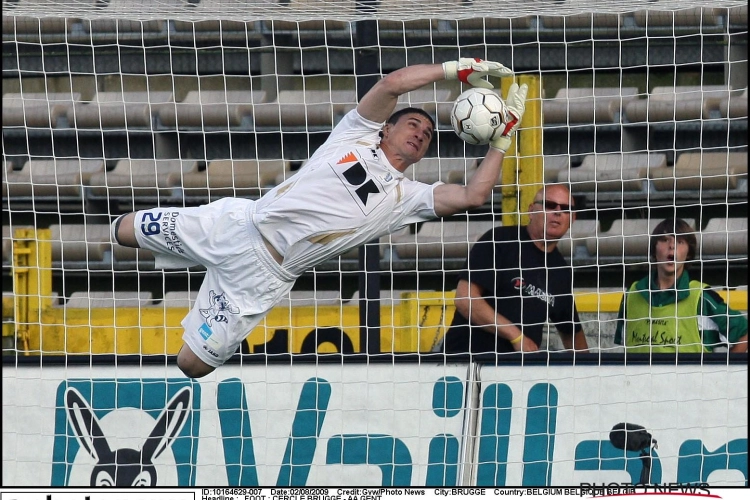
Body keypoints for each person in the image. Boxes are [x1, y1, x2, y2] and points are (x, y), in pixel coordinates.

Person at [111, 58, 529, 377]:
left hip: (260, 278)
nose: (420, 133)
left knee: (192, 365)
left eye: (427, 135)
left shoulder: (409, 197)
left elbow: (475, 195)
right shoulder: (354, 133)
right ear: (386, 129)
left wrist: (503, 139)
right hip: (236, 225)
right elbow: (390, 84)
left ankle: (208, 305)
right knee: (123, 230)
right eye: (413, 124)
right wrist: (454, 70)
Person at [441, 183, 590, 354]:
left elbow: (571, 332)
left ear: (572, 219)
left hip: (516, 373)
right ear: (531, 210)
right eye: (549, 205)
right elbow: (465, 299)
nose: (557, 212)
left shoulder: (560, 271)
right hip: (465, 364)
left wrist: (591, 373)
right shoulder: (500, 240)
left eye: (565, 209)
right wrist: (516, 336)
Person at [614, 218, 748, 353]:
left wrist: (721, 374)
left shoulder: (702, 297)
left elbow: (744, 333)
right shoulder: (632, 294)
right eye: (665, 239)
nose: (672, 246)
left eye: (680, 241)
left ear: (688, 253)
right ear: (654, 248)